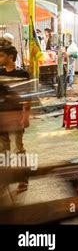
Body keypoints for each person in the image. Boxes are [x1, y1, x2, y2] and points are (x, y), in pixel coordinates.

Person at [0, 45, 30, 192]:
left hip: (16, 116)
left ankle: (23, 179)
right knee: (3, 150)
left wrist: (25, 116)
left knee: (18, 149)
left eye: (1, 56)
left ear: (10, 57)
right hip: (2, 117)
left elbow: (27, 97)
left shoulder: (22, 74)